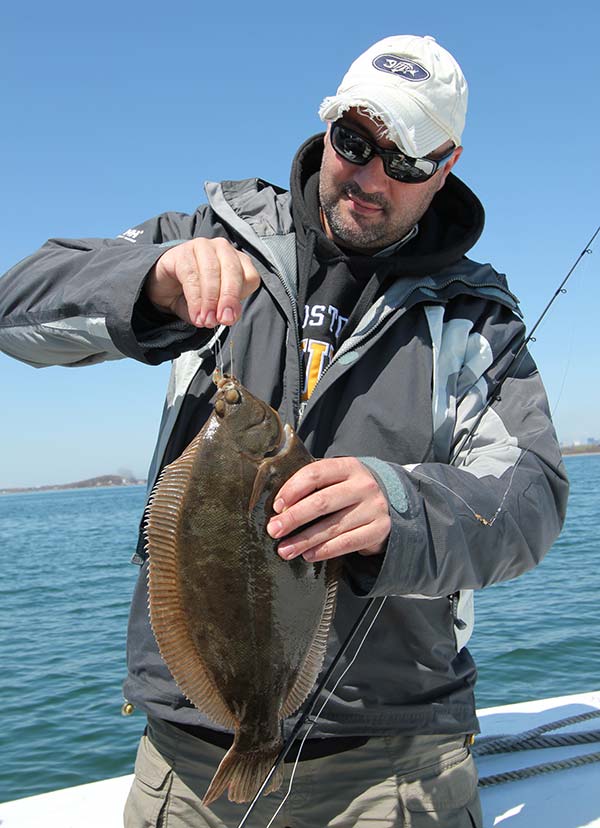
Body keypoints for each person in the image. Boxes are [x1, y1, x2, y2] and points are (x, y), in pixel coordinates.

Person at [0, 34, 568, 828]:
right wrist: (149, 283)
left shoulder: (473, 320)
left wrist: (402, 506)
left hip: (392, 765)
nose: (370, 177)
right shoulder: (212, 236)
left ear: (445, 166)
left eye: (404, 161)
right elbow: (15, 310)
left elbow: (533, 497)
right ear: (327, 126)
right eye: (356, 142)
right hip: (192, 760)